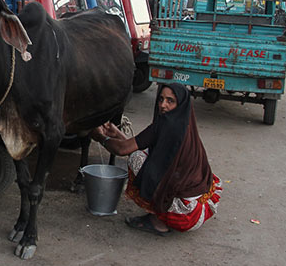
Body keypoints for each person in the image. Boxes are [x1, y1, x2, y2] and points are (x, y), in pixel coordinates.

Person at [92, 83, 222, 235]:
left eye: (170, 101)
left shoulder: (165, 124)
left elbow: (122, 149)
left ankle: (158, 222)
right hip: (200, 208)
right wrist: (116, 134)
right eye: (161, 99)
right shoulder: (187, 124)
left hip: (183, 215)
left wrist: (100, 137)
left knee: (137, 159)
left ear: (180, 103)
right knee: (146, 155)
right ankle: (161, 213)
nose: (163, 105)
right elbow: (138, 144)